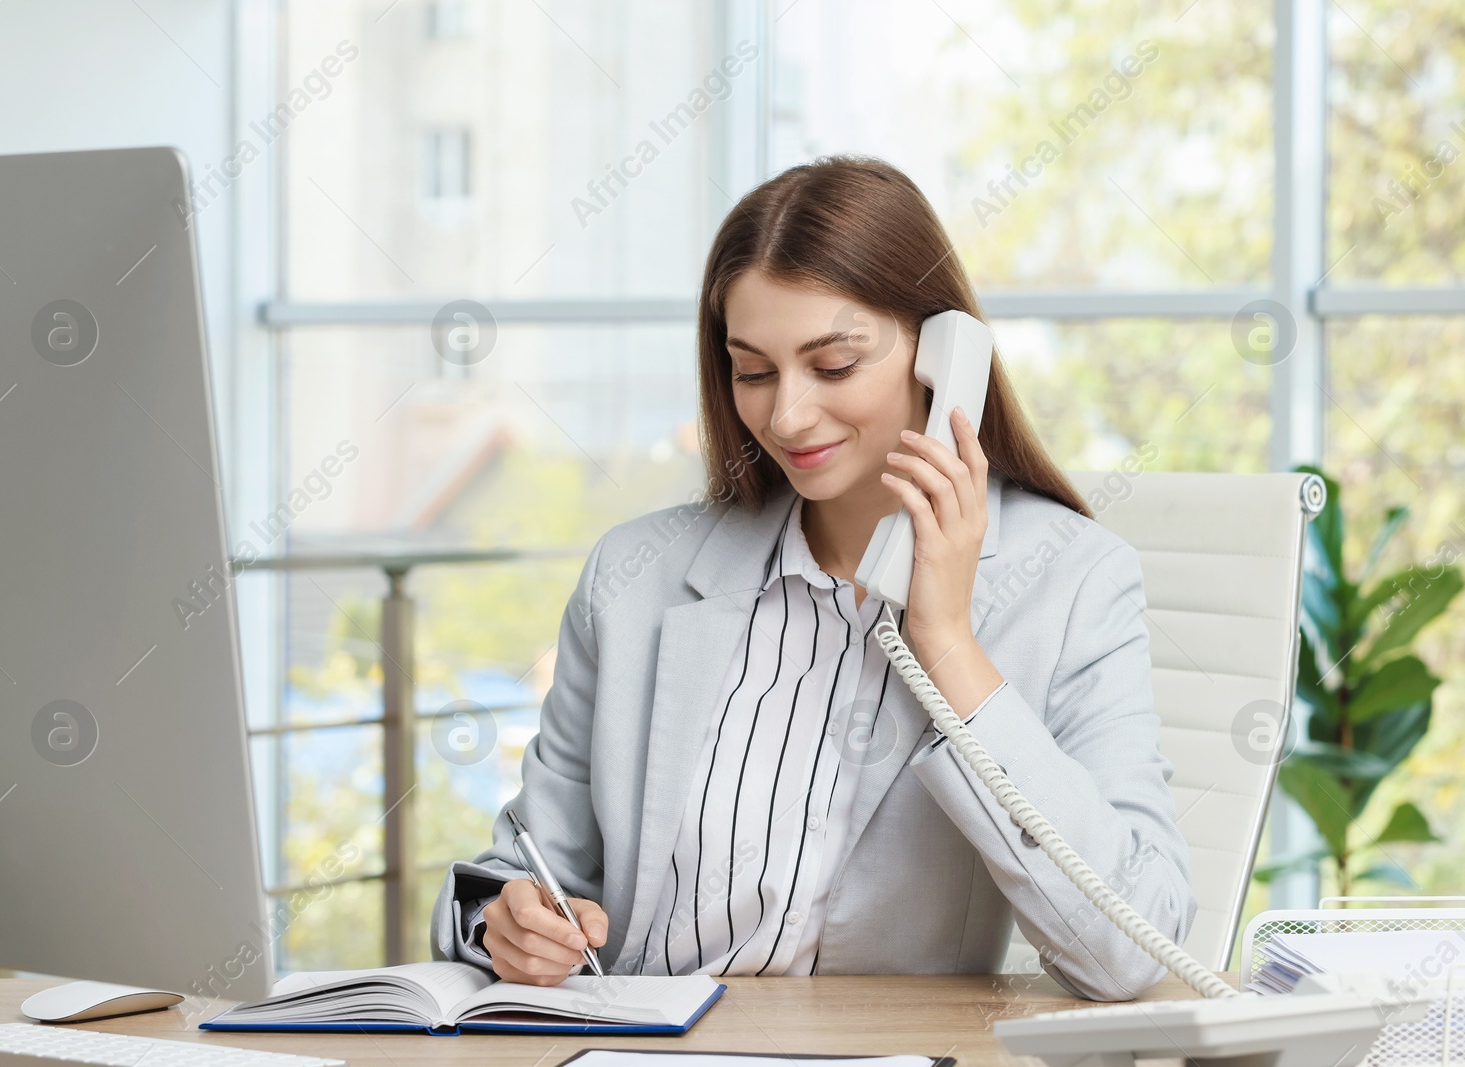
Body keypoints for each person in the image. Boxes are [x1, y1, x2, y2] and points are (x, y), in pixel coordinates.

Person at [431, 156, 1195, 1001]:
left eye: (833, 365)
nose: (786, 416)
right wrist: (506, 920)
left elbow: (1131, 950)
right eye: (753, 371)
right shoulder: (633, 580)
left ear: (942, 356)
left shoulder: (1075, 584)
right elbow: (521, 869)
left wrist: (946, 641)